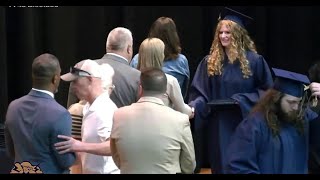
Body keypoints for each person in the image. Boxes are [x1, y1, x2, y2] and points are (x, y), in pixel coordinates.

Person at [188, 7, 273, 173]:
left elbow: (267, 92)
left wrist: (242, 100)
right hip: (219, 125)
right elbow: (200, 93)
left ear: (238, 34)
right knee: (222, 164)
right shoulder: (210, 62)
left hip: (245, 121)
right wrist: (194, 107)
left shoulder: (255, 61)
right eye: (220, 32)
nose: (223, 36)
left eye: (228, 32)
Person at [226, 68, 320, 174]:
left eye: (298, 102)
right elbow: (238, 166)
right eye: (291, 102)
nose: (295, 107)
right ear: (276, 98)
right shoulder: (254, 125)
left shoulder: (302, 121)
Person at [110, 68, 196, 174]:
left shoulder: (118, 115)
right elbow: (189, 164)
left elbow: (116, 156)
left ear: (140, 88)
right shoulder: (180, 120)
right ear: (165, 90)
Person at [4, 53, 76, 174]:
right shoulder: (60, 114)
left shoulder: (13, 107)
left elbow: (10, 151)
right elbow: (65, 161)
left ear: (33, 76)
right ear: (55, 78)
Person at [60, 59, 119, 174]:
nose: (72, 87)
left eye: (75, 81)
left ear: (90, 79)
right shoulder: (88, 107)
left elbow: (113, 147)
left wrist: (80, 146)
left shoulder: (105, 109)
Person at [67, 27, 140, 108]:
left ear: (107, 46)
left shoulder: (82, 67)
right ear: (129, 49)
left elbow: (71, 110)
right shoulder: (137, 77)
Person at [130, 17, 190, 99]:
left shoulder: (137, 58)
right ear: (173, 36)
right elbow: (183, 91)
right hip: (172, 108)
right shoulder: (181, 61)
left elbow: (130, 86)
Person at [137, 37, 193, 118]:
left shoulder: (132, 79)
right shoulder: (169, 81)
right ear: (159, 56)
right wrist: (192, 110)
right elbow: (183, 111)